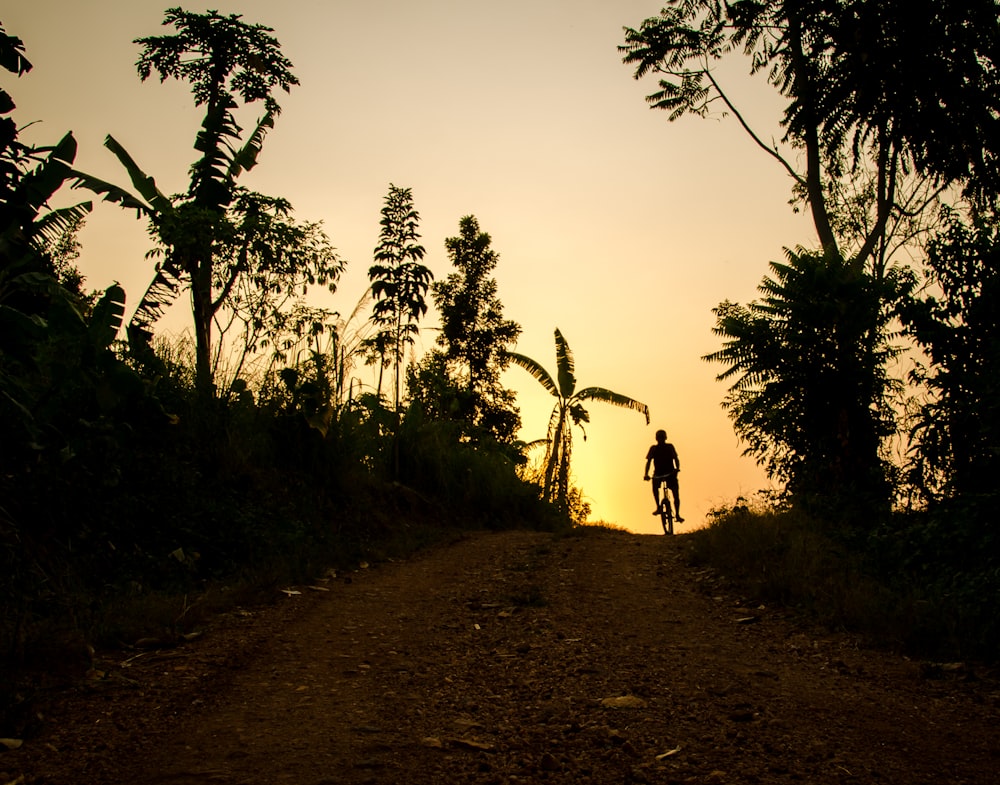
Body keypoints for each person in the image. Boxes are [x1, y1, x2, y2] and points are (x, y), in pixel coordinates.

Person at [643, 429, 683, 523]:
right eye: (659, 437)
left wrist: (677, 468)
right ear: (656, 439)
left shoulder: (670, 447)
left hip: (670, 473)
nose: (660, 439)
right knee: (655, 487)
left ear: (665, 438)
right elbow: (648, 462)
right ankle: (658, 507)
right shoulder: (653, 448)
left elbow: (676, 459)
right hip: (658, 474)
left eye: (662, 437)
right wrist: (646, 474)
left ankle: (677, 514)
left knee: (676, 495)